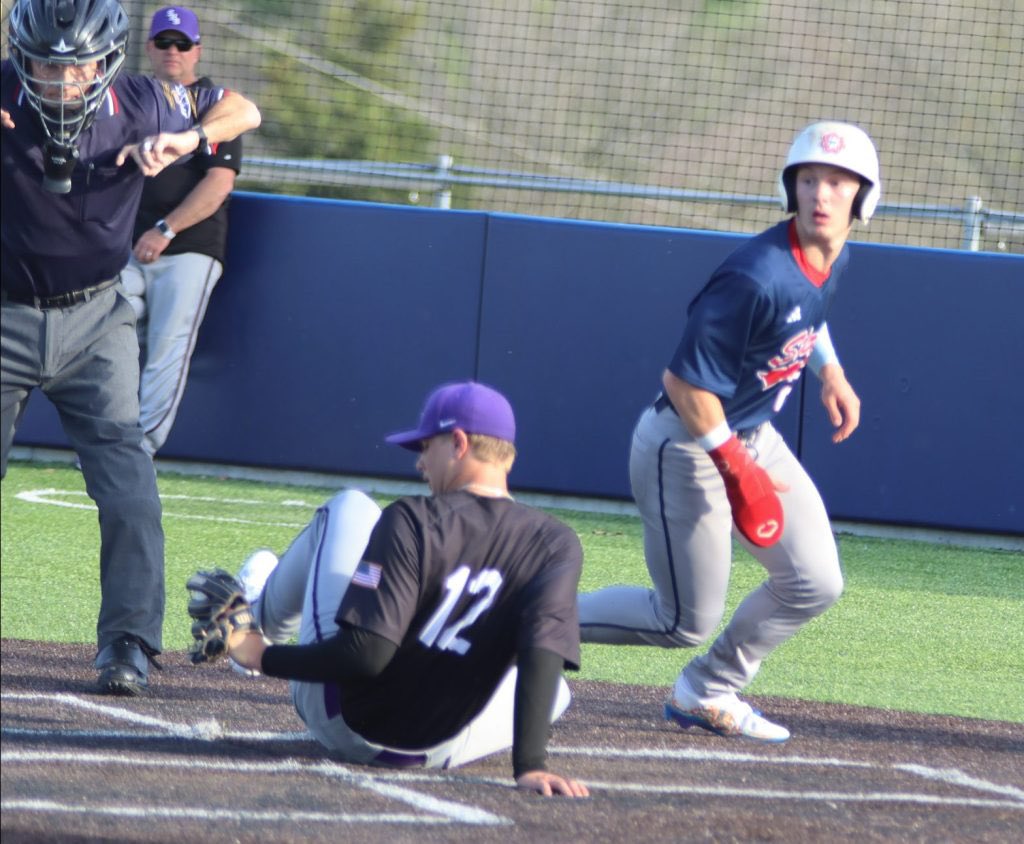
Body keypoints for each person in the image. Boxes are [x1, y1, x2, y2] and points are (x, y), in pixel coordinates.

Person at [578, 121, 880, 742]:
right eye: (809, 179)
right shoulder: (755, 274)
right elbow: (686, 386)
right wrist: (735, 467)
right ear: (790, 188)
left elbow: (809, 314)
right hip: (685, 444)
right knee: (679, 620)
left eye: (838, 182)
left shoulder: (832, 252)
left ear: (863, 198)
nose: (821, 195)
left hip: (748, 434)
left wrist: (832, 373)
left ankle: (707, 690)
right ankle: (525, 622)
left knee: (815, 581)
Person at [1, 0, 261, 696]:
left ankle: (128, 643)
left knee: (129, 487)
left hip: (97, 319)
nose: (61, 82)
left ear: (108, 60)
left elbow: (245, 112)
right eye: (46, 67)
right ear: (21, 59)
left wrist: (186, 138)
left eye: (78, 66)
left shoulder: (146, 99)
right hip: (5, 318)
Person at [208, 381, 589, 797]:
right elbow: (543, 654)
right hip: (442, 748)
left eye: (426, 447)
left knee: (350, 506)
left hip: (343, 722)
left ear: (459, 443)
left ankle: (257, 624)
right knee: (556, 690)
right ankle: (260, 619)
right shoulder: (558, 542)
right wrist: (530, 766)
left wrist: (262, 657)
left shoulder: (413, 518)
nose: (420, 463)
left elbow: (364, 656)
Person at [121, 7, 242, 457]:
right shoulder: (135, 98)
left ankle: (138, 449)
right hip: (128, 249)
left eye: (182, 43)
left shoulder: (215, 105)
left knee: (167, 351)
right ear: (149, 47)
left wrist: (165, 229)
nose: (173, 51)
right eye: (164, 42)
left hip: (187, 248)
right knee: (106, 332)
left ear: (197, 51)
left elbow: (219, 182)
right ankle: (110, 439)